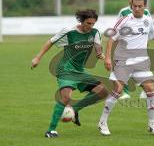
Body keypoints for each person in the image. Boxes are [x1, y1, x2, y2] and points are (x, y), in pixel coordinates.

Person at [98, 0, 154, 136]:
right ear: (131, 5)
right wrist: (108, 58)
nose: (136, 9)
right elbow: (111, 38)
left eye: (140, 6)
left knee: (150, 90)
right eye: (134, 6)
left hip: (141, 60)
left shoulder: (148, 19)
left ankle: (151, 123)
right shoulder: (124, 20)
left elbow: (153, 35)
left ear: (145, 6)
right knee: (117, 91)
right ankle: (102, 122)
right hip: (123, 60)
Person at [31, 9, 109, 138]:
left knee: (103, 91)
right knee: (66, 98)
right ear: (81, 21)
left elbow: (98, 51)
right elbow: (50, 42)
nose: (90, 26)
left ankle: (75, 109)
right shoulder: (69, 32)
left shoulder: (95, 33)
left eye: (92, 24)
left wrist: (106, 59)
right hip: (65, 69)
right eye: (88, 23)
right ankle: (51, 130)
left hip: (79, 71)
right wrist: (37, 58)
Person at [118, 0, 151, 100]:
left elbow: (149, 29)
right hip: (125, 46)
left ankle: (144, 91)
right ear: (130, 0)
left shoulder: (146, 13)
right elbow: (118, 27)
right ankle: (126, 93)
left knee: (141, 70)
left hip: (140, 48)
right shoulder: (123, 12)